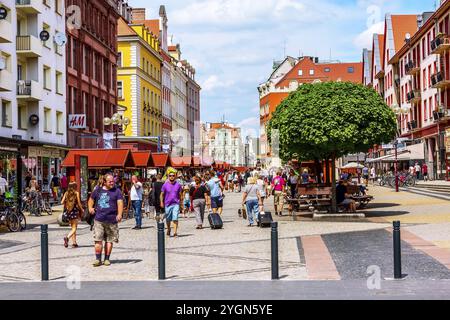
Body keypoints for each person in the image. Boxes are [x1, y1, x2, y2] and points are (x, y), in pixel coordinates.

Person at [88, 173, 123, 267]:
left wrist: (119, 214)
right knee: (98, 240)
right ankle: (98, 259)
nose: (112, 183)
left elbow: (120, 203)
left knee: (109, 240)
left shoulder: (117, 191)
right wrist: (90, 208)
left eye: (113, 181)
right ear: (104, 182)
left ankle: (107, 259)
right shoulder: (97, 190)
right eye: (110, 181)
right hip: (99, 219)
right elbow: (91, 200)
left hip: (112, 220)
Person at [160, 169, 184, 238]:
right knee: (168, 219)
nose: (172, 177)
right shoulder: (165, 185)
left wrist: (181, 203)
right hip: (167, 204)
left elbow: (180, 194)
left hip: (176, 203)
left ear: (175, 176)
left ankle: (175, 232)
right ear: (168, 176)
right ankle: (169, 229)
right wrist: (161, 202)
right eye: (170, 176)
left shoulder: (178, 185)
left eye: (173, 176)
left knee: (175, 218)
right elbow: (162, 194)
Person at [62, 182, 84, 248]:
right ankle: (67, 238)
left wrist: (67, 203)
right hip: (74, 211)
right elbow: (79, 203)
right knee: (74, 228)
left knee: (72, 228)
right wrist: (82, 209)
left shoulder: (66, 193)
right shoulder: (76, 193)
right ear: (75, 187)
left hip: (68, 212)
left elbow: (62, 202)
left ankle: (74, 242)